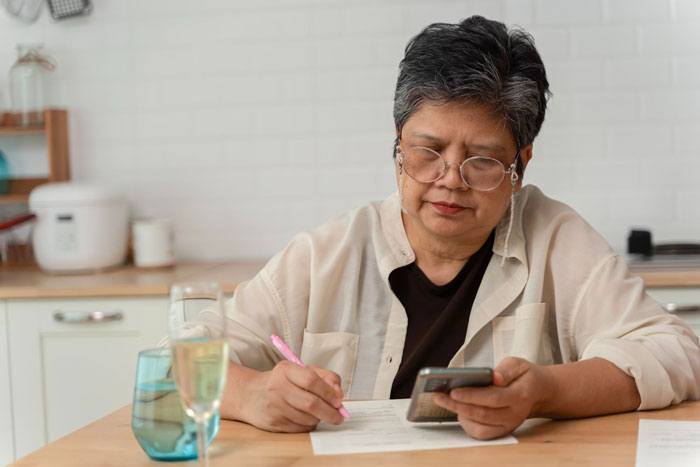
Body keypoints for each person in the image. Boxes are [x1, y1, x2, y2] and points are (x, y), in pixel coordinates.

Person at [212, 15, 700, 439]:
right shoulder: (327, 254)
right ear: (398, 145)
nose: (450, 181)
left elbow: (675, 351)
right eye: (427, 152)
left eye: (482, 161)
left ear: (521, 164)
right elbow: (179, 359)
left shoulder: (555, 238)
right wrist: (253, 394)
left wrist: (545, 392)